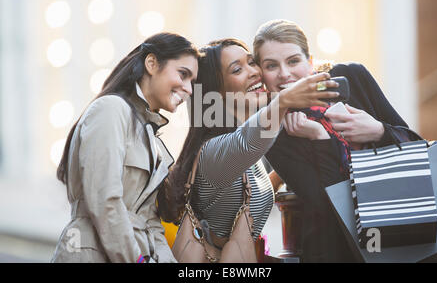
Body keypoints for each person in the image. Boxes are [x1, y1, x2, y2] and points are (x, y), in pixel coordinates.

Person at [253, 19, 420, 262]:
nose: (284, 73)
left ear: (310, 62)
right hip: (337, 251)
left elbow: (417, 148)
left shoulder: (352, 75)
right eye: (271, 65)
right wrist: (318, 136)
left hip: (401, 232)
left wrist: (379, 131)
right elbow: (326, 203)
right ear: (262, 74)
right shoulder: (273, 128)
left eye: (293, 61)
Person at [160, 38, 339, 259]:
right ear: (216, 91)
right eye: (237, 69)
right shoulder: (214, 152)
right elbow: (248, 141)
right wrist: (283, 101)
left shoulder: (242, 154)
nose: (254, 72)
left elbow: (250, 193)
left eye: (252, 63)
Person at [51, 32, 199, 263]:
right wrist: (138, 260)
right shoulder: (111, 109)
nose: (189, 89)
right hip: (91, 253)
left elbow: (151, 221)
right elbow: (105, 201)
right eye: (183, 74)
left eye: (192, 81)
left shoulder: (150, 135)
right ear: (152, 63)